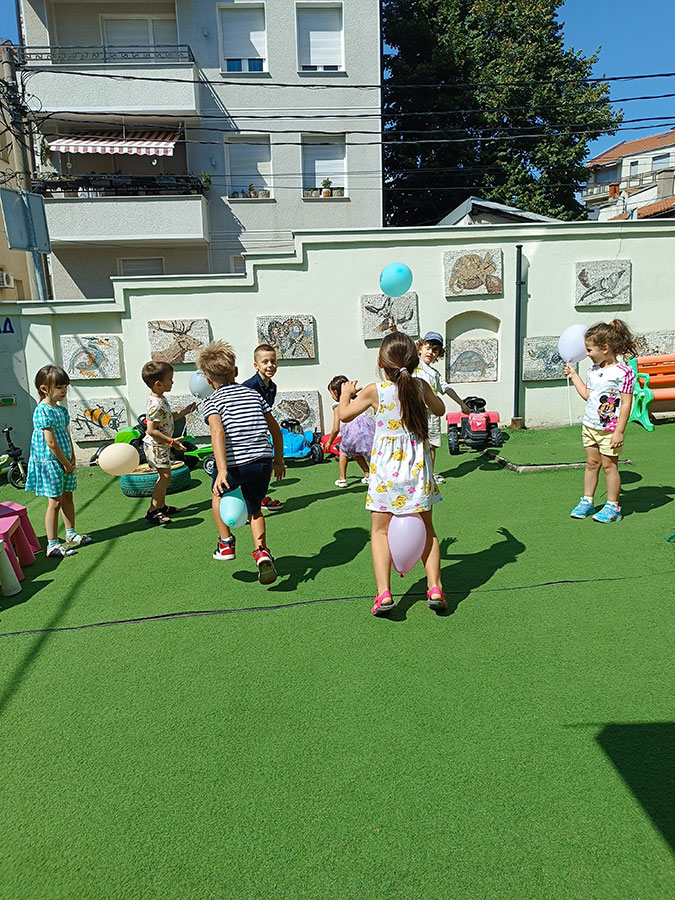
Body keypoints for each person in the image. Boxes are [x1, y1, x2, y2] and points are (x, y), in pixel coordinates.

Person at [338, 331, 446, 615]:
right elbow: (440, 409)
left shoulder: (374, 391)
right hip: (417, 470)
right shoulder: (420, 385)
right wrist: (425, 391)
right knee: (428, 530)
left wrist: (346, 394)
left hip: (385, 472)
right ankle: (435, 587)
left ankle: (384, 593)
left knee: (380, 532)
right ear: (413, 362)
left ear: (380, 362)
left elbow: (344, 415)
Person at [199, 340, 286, 584]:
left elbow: (217, 432)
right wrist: (279, 460)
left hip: (234, 463)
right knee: (254, 508)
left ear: (207, 380)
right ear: (236, 372)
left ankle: (226, 543)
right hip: (262, 462)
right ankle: (261, 552)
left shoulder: (212, 401)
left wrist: (222, 470)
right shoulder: (254, 394)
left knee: (217, 495)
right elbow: (275, 431)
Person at [563, 319, 637, 523]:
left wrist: (619, 431)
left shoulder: (624, 373)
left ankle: (613, 506)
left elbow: (626, 404)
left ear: (605, 349)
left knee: (609, 467)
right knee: (591, 463)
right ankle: (587, 501)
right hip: (590, 426)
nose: (586, 354)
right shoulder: (593, 371)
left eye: (589, 350)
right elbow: (587, 395)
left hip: (609, 430)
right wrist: (573, 376)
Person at [24, 365, 92, 558]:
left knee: (68, 496)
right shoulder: (42, 411)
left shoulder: (60, 410)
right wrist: (65, 463)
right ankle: (52, 545)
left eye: (65, 387)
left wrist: (72, 455)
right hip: (50, 462)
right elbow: (51, 443)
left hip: (64, 460)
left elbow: (66, 434)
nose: (63, 391)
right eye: (59, 387)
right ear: (44, 389)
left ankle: (71, 534)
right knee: (54, 502)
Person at [141, 360, 196, 525]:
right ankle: (153, 511)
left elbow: (168, 418)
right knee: (164, 476)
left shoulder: (160, 399)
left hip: (161, 446)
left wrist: (185, 411)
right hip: (156, 446)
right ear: (158, 384)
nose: (172, 382)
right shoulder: (156, 405)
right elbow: (151, 430)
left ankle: (161, 506)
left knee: (165, 476)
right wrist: (171, 441)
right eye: (170, 380)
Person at [415, 331, 470, 483]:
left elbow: (447, 389)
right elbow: (401, 350)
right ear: (420, 348)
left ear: (438, 355)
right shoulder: (413, 365)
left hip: (432, 415)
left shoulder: (435, 374)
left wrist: (462, 404)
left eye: (435, 350)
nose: (430, 352)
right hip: (416, 413)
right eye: (428, 348)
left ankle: (429, 475)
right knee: (415, 444)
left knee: (432, 445)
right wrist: (393, 332)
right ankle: (416, 475)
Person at [242, 343, 283, 512]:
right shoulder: (248, 387)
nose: (270, 365)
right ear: (256, 365)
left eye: (273, 361)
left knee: (262, 469)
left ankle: (259, 498)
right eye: (265, 362)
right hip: (245, 436)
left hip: (260, 435)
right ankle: (246, 506)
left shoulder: (272, 387)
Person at [326, 375, 374, 487]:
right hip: (367, 429)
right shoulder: (357, 400)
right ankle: (369, 474)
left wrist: (329, 442)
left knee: (343, 451)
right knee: (364, 453)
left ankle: (342, 479)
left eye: (331, 393)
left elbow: (336, 428)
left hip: (351, 431)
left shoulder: (337, 405)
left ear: (335, 392)